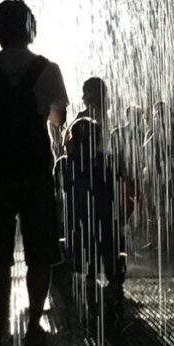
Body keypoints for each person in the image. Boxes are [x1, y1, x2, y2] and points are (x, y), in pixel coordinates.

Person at [0, 0, 69, 346]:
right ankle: (36, 323)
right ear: (30, 29)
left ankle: (2, 324)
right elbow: (58, 119)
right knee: (40, 248)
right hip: (37, 169)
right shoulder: (48, 68)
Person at [61, 117, 133, 332]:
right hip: (106, 219)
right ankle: (114, 291)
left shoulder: (65, 164)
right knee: (111, 255)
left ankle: (89, 305)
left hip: (79, 221)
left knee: (86, 262)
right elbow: (120, 186)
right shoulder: (108, 162)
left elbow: (61, 191)